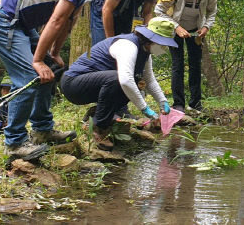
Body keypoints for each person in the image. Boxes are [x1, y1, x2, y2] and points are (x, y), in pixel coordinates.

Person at [0, 0, 138, 159]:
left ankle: (42, 130)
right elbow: (56, 19)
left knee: (50, 69)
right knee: (28, 78)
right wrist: (37, 61)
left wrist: (53, 53)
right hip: (2, 20)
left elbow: (67, 21)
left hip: (19, 24)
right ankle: (14, 143)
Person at [61, 17, 177, 150]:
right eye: (163, 44)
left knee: (134, 81)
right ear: (153, 39)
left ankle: (96, 116)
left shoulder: (145, 51)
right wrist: (145, 109)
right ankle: (98, 129)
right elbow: (125, 81)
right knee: (120, 80)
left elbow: (149, 80)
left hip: (92, 85)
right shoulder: (127, 45)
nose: (164, 47)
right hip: (73, 85)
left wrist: (163, 102)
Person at [154, 0, 218, 113]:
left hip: (196, 29)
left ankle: (195, 103)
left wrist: (206, 27)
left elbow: (212, 11)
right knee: (178, 64)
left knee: (195, 64)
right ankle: (178, 104)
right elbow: (159, 10)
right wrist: (176, 27)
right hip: (175, 28)